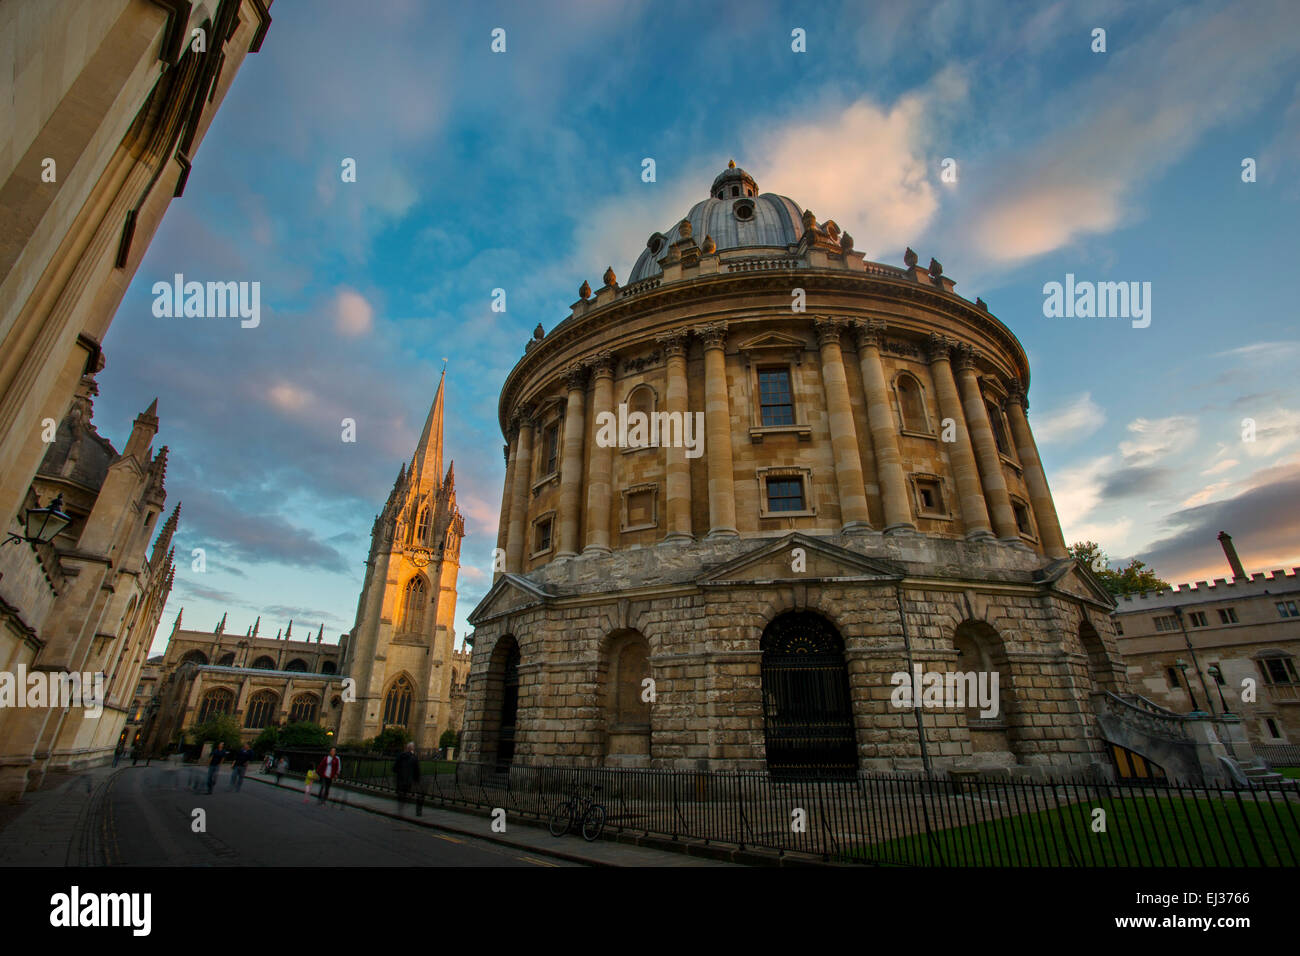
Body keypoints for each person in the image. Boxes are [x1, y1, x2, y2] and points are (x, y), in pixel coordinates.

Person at [393, 742, 420, 809]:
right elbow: (417, 770)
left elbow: (395, 768)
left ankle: (400, 806)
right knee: (406, 792)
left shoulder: (400, 756)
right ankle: (403, 805)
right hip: (408, 780)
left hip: (400, 779)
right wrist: (416, 779)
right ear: (412, 749)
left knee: (401, 793)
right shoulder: (414, 758)